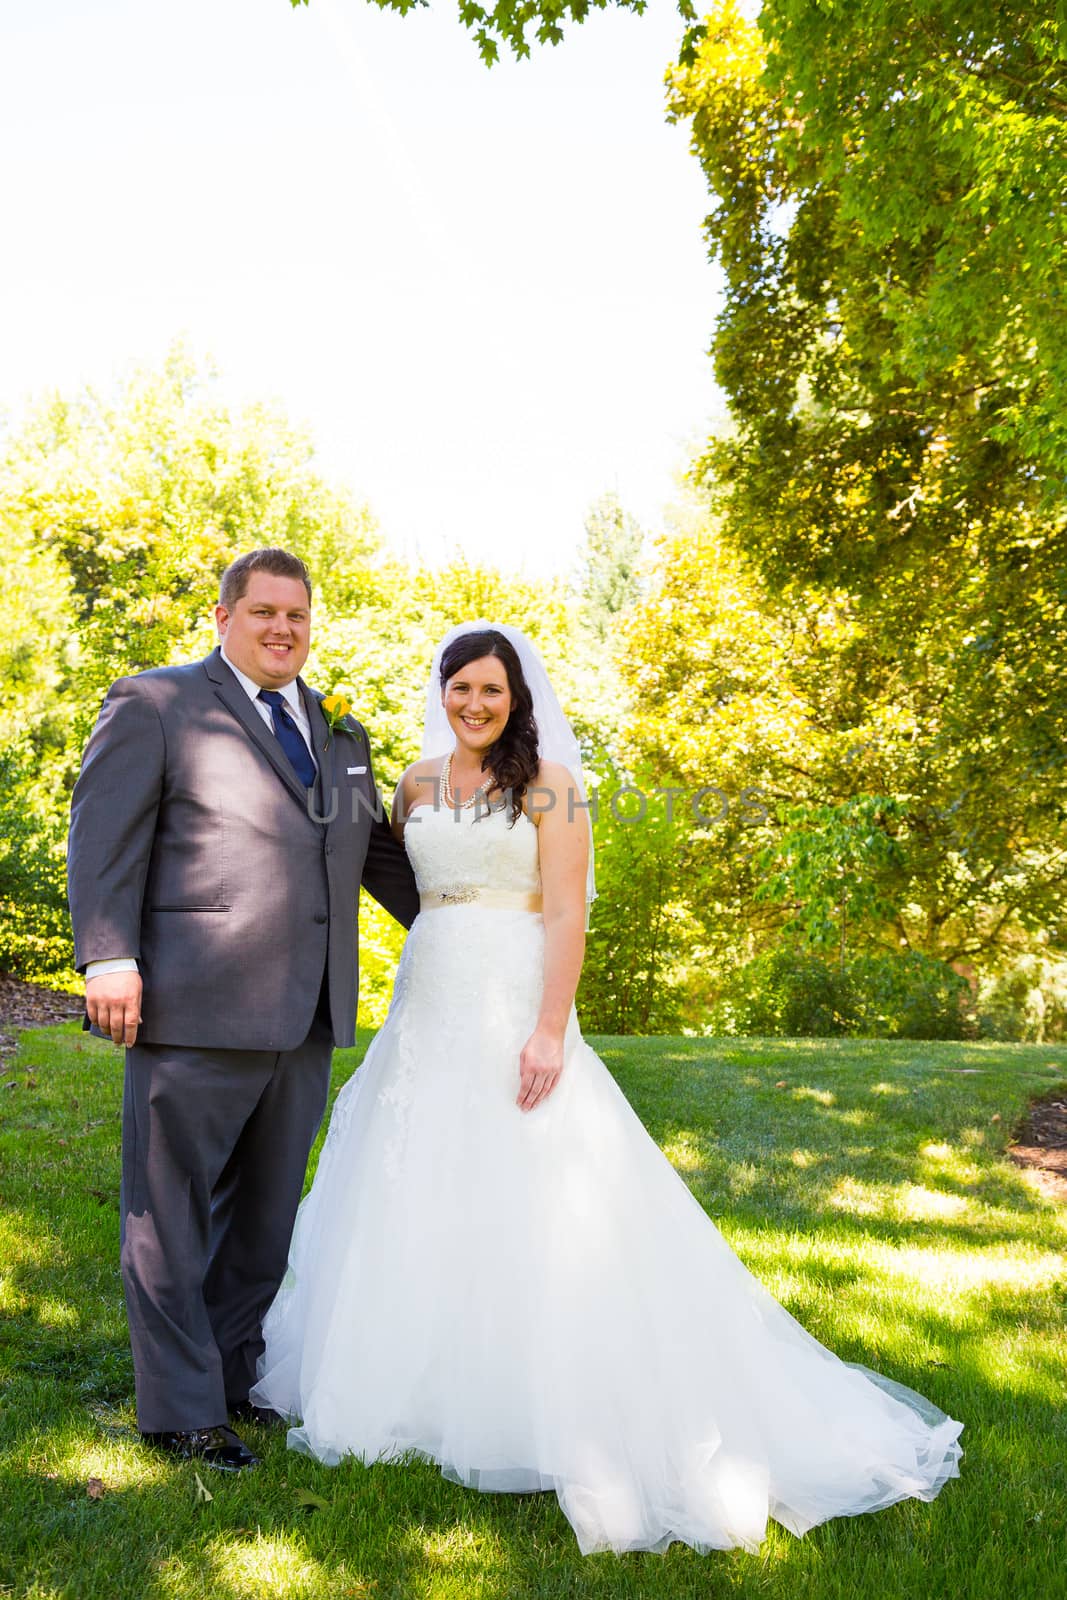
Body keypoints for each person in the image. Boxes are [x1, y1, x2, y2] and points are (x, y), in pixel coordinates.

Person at [250, 621, 963, 1554]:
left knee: (532, 1186)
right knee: (416, 1175)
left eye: (492, 692)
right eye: (460, 687)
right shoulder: (415, 783)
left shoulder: (553, 785)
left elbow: (567, 916)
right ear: (442, 690)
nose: (474, 704)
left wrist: (548, 1028)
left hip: (514, 997)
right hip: (428, 1001)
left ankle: (551, 1398)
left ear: (518, 699)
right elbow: (386, 881)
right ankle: (425, 1385)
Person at [66, 547, 420, 1473]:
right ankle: (178, 1412)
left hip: (307, 1014)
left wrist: (481, 918)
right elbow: (102, 836)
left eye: (296, 616)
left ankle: (230, 1381)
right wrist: (109, 955)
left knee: (263, 1222)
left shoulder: (339, 731)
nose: (281, 630)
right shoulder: (158, 703)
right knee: (170, 1215)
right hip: (192, 1001)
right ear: (222, 617)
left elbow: (371, 853)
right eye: (263, 612)